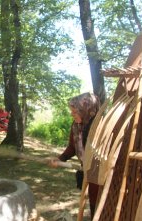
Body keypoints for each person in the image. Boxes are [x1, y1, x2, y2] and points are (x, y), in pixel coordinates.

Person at [49, 92, 100, 220]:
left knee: (98, 201)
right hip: (85, 168)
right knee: (92, 201)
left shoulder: (99, 126)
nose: (72, 114)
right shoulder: (76, 126)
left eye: (75, 112)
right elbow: (72, 147)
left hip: (99, 171)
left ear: (85, 111)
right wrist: (60, 158)